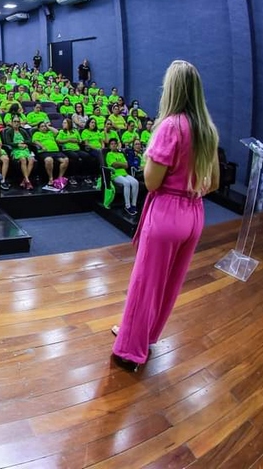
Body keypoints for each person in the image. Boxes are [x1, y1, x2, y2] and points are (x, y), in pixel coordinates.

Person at [111, 60, 220, 372]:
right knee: (169, 283)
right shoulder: (207, 129)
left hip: (168, 212)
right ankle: (144, 335)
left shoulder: (171, 126)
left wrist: (149, 155)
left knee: (147, 282)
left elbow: (151, 181)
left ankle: (130, 351)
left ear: (171, 89)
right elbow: (212, 182)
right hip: (195, 213)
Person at [105, 138, 139, 215]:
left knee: (135, 182)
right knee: (127, 183)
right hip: (115, 175)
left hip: (124, 174)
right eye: (112, 144)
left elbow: (126, 165)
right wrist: (121, 164)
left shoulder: (121, 154)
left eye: (115, 144)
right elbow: (114, 165)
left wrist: (119, 164)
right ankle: (127, 206)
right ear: (110, 146)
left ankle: (134, 205)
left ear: (117, 145)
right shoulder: (109, 154)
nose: (113, 145)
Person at [31, 122, 69, 191]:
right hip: (44, 152)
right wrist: (42, 146)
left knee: (66, 160)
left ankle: (59, 178)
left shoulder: (50, 133)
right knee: (49, 160)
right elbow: (35, 141)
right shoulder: (37, 134)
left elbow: (57, 132)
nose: (44, 127)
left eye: (44, 126)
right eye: (42, 126)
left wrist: (48, 127)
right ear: (39, 128)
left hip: (55, 151)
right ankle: (51, 178)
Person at [3, 117, 35, 190]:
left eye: (18, 121)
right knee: (23, 159)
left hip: (25, 149)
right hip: (15, 150)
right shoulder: (8, 131)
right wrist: (18, 144)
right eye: (15, 121)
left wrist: (24, 143)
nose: (16, 123)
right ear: (11, 122)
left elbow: (30, 140)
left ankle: (25, 180)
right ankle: (27, 180)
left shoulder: (23, 131)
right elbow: (7, 142)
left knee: (31, 160)